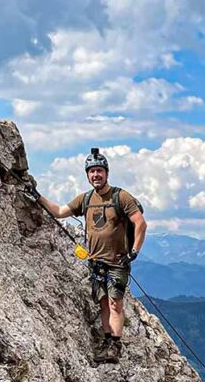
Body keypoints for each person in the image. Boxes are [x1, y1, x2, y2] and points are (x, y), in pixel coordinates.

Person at [28, 149, 147, 363]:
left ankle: (115, 345)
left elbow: (140, 223)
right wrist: (38, 197)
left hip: (117, 261)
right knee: (103, 302)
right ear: (87, 175)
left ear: (106, 173)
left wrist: (134, 252)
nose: (96, 175)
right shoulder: (86, 199)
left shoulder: (121, 197)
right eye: (92, 172)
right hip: (96, 262)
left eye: (99, 171)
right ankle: (107, 339)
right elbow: (59, 211)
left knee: (115, 303)